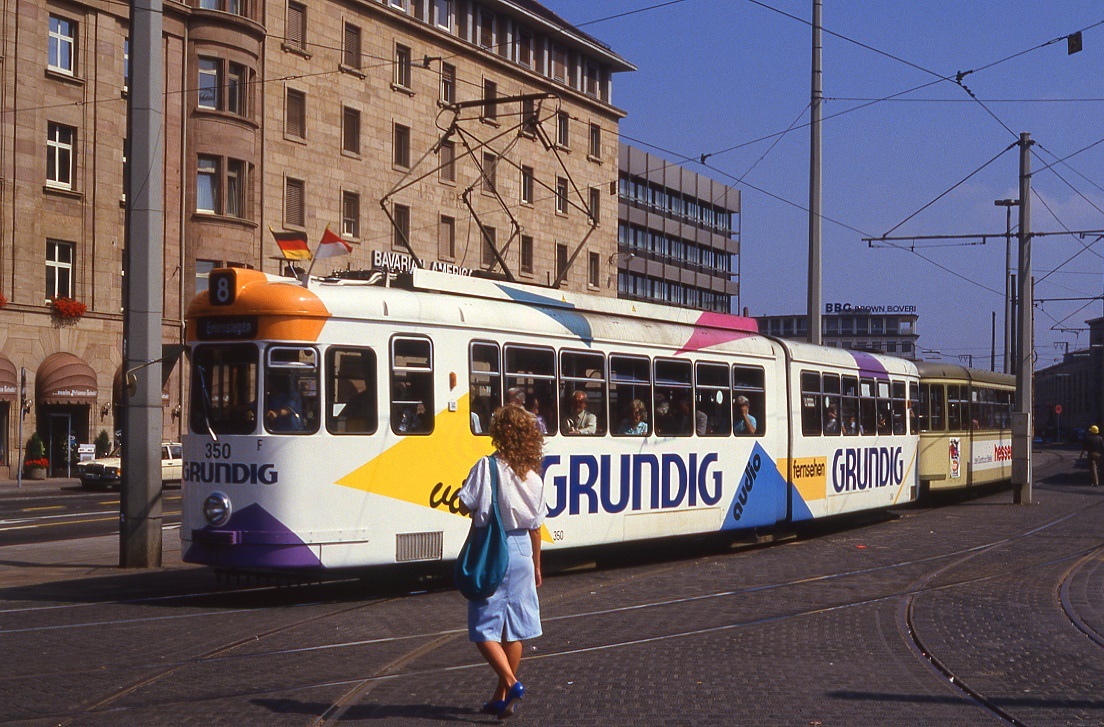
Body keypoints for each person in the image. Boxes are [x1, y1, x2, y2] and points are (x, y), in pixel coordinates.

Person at [458, 405, 547, 719]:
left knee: (483, 627)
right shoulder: (533, 476)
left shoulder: (486, 466)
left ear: (499, 432)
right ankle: (502, 699)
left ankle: (511, 682)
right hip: (523, 551)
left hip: (495, 549)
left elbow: (466, 501)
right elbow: (536, 527)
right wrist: (536, 565)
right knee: (514, 630)